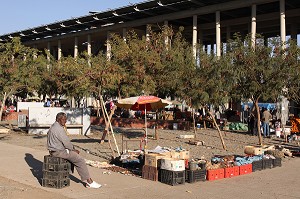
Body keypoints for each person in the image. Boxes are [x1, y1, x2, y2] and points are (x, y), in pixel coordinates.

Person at [47, 112, 101, 188]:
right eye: (63, 119)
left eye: (65, 119)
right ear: (58, 119)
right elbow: (66, 142)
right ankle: (89, 181)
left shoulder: (53, 126)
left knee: (73, 155)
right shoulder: (59, 129)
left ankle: (84, 178)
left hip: (53, 151)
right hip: (58, 152)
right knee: (80, 160)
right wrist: (73, 149)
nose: (65, 121)